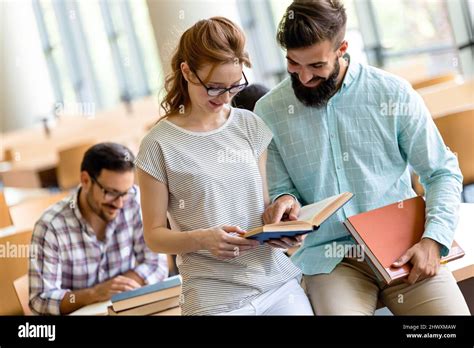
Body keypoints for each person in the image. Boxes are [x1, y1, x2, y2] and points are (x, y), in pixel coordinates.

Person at [256, 0, 470, 315]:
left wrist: (433, 240)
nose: (303, 78)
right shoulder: (270, 111)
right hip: (333, 261)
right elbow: (282, 190)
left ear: (342, 47)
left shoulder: (392, 93)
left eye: (316, 66)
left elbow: (442, 172)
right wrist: (284, 204)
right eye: (293, 64)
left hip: (405, 248)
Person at [135, 17, 313, 316]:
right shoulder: (158, 145)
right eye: (214, 87)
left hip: (275, 285)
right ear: (187, 72)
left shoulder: (249, 125)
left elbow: (263, 206)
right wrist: (202, 239)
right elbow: (154, 236)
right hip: (212, 298)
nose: (225, 97)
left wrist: (282, 222)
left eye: (233, 86)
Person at [29, 143, 168, 315]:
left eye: (125, 192)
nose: (119, 203)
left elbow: (157, 264)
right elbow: (40, 300)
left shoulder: (134, 201)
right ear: (86, 181)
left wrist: (118, 288)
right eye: (110, 192)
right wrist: (94, 294)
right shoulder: (50, 227)